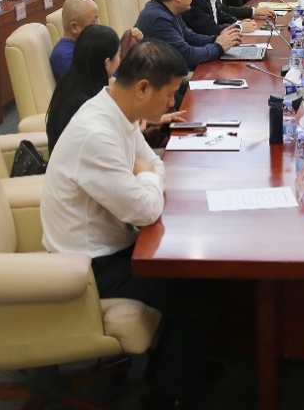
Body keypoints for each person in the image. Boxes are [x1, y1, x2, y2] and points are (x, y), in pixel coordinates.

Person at [41, 39, 216, 410]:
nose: (172, 103)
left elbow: (153, 163)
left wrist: (147, 172)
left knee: (199, 273)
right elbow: (146, 208)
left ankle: (179, 367)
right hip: (88, 264)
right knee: (197, 297)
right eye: (169, 94)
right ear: (143, 88)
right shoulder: (97, 133)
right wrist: (148, 174)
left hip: (115, 240)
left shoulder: (115, 111)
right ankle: (163, 396)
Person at [135, 0, 241, 71]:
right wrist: (219, 47)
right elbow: (187, 56)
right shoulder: (158, 19)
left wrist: (218, 38)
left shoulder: (170, 8)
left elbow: (190, 37)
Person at [46, 24, 120, 152]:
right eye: (118, 54)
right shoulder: (85, 103)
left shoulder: (73, 82)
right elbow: (105, 145)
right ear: (107, 63)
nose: (120, 59)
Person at [51, 0, 100, 82]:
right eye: (94, 22)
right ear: (74, 27)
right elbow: (93, 85)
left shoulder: (85, 44)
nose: (99, 25)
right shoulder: (65, 56)